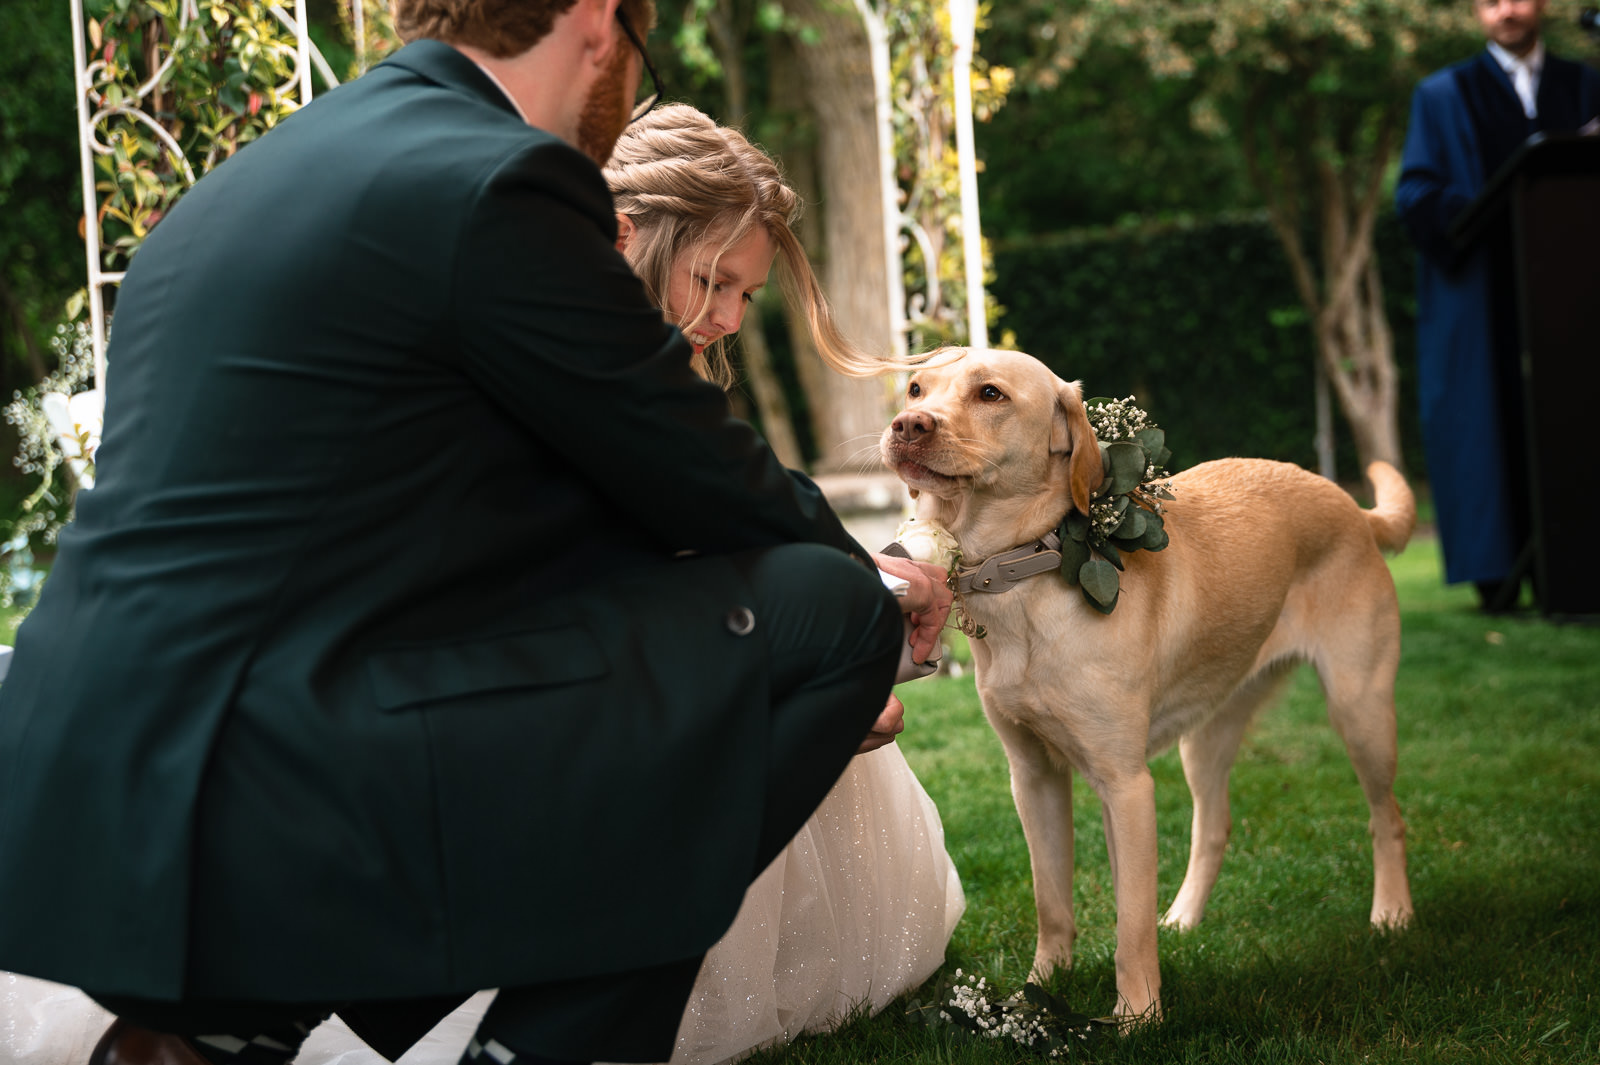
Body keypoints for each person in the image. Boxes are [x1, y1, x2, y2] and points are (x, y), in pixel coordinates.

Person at [0, 2, 952, 1064]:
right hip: (278, 757)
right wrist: (877, 578)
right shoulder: (501, 180)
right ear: (598, 24)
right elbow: (689, 464)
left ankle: (224, 1024)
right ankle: (547, 1049)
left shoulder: (239, 187)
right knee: (828, 615)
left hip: (97, 765)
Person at [604, 104, 964, 1063]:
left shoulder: (663, 369)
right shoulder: (584, 370)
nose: (724, 316)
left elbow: (741, 512)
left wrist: (864, 581)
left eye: (745, 295)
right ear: (630, 239)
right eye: (711, 281)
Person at [1394, 0, 1600, 611]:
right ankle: (1501, 579)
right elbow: (1417, 195)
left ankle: (1583, 570)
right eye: (1490, 1)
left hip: (1575, 300)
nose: (1505, 10)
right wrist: (1488, 206)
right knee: (1489, 427)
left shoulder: (1586, 84)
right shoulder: (1443, 95)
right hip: (1485, 300)